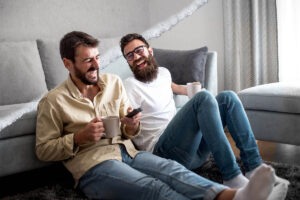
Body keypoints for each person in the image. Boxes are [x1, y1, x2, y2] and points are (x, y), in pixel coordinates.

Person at [35, 31, 282, 200]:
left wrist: (131, 126)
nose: (96, 66)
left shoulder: (112, 83)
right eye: (87, 61)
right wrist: (79, 137)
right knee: (154, 188)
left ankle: (238, 194)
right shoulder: (53, 101)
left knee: (174, 173)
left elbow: (128, 130)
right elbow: (44, 150)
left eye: (97, 58)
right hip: (95, 162)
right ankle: (234, 187)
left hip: (128, 153)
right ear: (68, 64)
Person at [121, 33, 290, 193]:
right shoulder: (129, 86)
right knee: (204, 98)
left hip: (192, 153)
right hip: (164, 155)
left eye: (138, 50)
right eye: (129, 56)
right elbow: (126, 123)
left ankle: (255, 167)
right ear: (128, 62)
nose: (135, 57)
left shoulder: (163, 73)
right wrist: (130, 124)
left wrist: (193, 88)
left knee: (228, 97)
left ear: (149, 50)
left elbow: (174, 88)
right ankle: (231, 176)